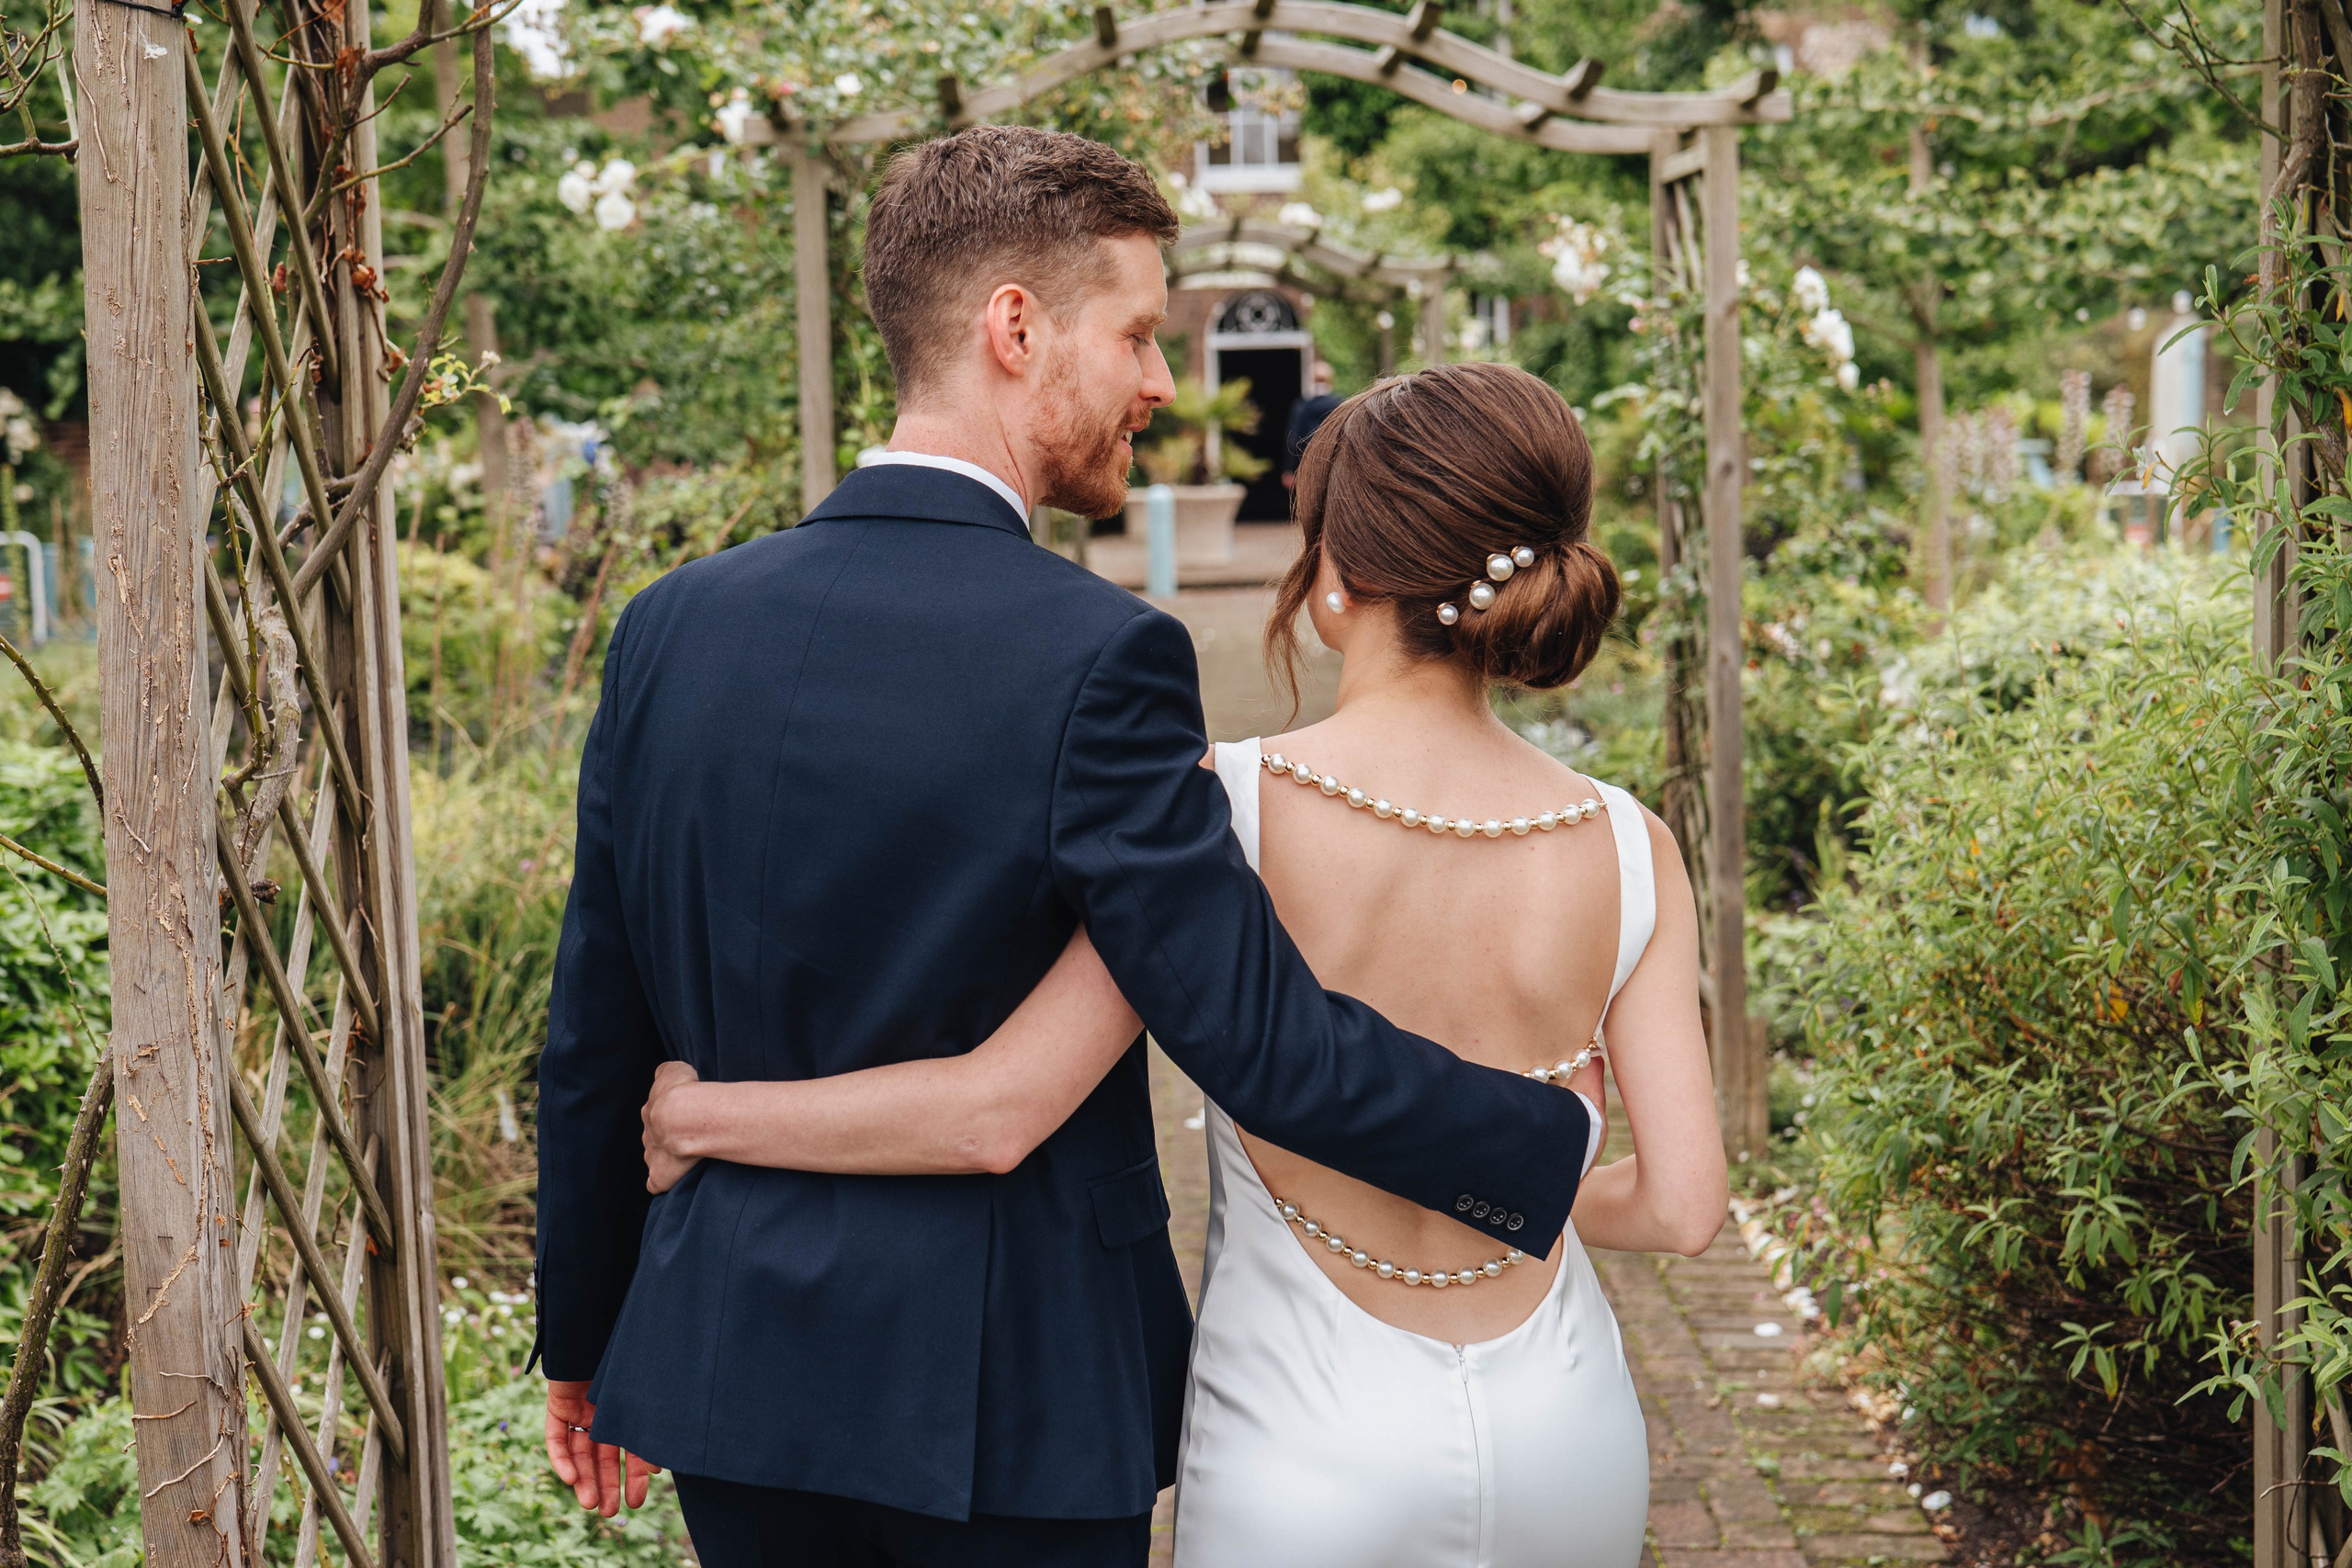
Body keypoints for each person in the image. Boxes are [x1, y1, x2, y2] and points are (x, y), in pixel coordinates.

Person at [533, 126, 1600, 1568]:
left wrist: (584, 1332)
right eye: (1141, 334)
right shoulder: (1104, 657)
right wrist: (1550, 1140)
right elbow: (1263, 1038)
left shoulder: (670, 624)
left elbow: (598, 1021)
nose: (1163, 383)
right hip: (1011, 1396)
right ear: (1016, 329)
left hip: (731, 1363)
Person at [639, 363, 1729, 1566]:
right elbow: (1681, 1207)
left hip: (1305, 1441)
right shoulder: (1634, 846)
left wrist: (705, 1116)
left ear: (1334, 579)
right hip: (1562, 1423)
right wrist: (1517, 1174)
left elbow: (1003, 1100)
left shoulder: (1222, 809)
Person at [1281, 358, 1341, 492]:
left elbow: (1293, 438)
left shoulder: (1302, 406)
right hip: (1334, 466)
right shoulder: (1340, 405)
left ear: (1311, 379)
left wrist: (1290, 470)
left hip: (1306, 466)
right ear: (1331, 380)